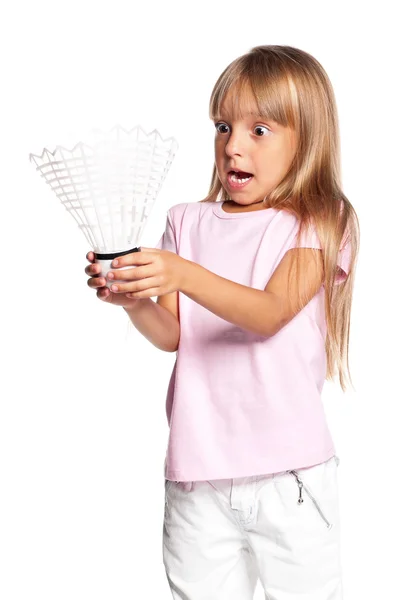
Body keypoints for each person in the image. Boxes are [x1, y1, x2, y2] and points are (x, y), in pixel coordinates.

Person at [85, 45, 360, 599]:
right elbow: (175, 336)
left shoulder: (322, 219)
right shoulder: (186, 221)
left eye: (260, 130)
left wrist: (179, 272)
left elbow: (268, 313)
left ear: (306, 139)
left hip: (291, 477)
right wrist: (134, 298)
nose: (232, 145)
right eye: (222, 126)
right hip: (197, 475)